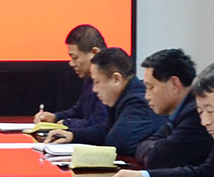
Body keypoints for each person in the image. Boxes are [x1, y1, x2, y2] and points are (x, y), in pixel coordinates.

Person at [37, 47, 166, 156]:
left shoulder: (138, 102)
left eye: (97, 82)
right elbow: (104, 129)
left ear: (116, 79)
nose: (94, 89)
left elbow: (115, 143)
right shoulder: (123, 97)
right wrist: (73, 135)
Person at [131, 48, 207, 169]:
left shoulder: (197, 114)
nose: (146, 96)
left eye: (150, 87)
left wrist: (153, 148)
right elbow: (142, 147)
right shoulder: (177, 112)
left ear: (174, 84)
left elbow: (156, 159)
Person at [33, 24, 108, 137]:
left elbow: (99, 122)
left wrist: (65, 123)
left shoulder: (108, 81)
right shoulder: (88, 79)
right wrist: (56, 117)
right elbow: (79, 110)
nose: (71, 63)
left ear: (95, 53)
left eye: (75, 57)